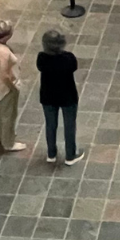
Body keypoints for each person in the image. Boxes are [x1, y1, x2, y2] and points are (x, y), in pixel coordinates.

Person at [37, 29, 82, 164]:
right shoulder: (68, 58)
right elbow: (74, 68)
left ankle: (51, 154)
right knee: (69, 125)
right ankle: (70, 155)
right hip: (67, 96)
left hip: (48, 96)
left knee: (50, 124)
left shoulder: (42, 57)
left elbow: (40, 67)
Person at [0, 20, 28, 152]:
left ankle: (0, 135)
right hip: (5, 87)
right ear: (7, 35)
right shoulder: (3, 53)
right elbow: (5, 75)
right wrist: (13, 87)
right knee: (9, 114)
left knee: (1, 111)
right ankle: (8, 142)